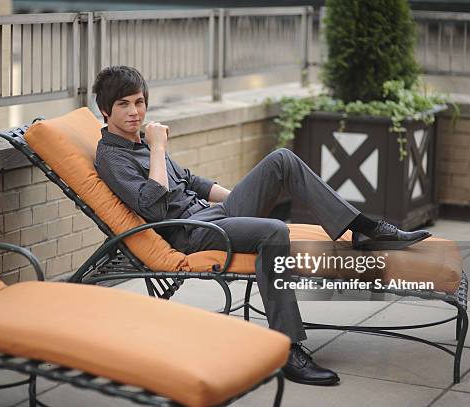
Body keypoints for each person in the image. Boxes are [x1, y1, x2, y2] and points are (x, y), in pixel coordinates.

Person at [93, 66, 430, 386]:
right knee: (273, 230)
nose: (135, 112)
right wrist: (159, 147)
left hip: (212, 214)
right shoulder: (112, 156)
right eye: (123, 104)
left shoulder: (142, 141)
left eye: (139, 102)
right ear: (106, 111)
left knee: (281, 159)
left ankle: (359, 226)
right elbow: (152, 203)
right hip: (191, 233)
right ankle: (288, 349)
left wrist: (240, 198)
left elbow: (192, 181)